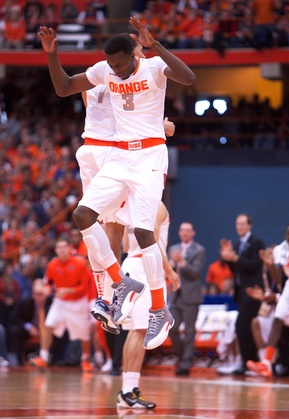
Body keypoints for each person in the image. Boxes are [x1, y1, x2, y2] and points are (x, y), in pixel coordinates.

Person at [37, 17, 196, 351]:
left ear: (134, 57)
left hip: (151, 156)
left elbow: (189, 77)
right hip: (120, 156)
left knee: (141, 232)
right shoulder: (105, 70)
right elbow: (65, 87)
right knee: (82, 216)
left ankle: (159, 310)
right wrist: (52, 54)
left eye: (121, 64)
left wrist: (156, 45)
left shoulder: (153, 67)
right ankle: (121, 284)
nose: (116, 70)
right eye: (112, 65)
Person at [118, 201, 180, 408]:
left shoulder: (131, 205)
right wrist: (170, 272)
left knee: (135, 331)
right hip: (145, 267)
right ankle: (128, 390)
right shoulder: (156, 205)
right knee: (141, 330)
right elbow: (149, 242)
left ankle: (128, 389)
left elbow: (126, 246)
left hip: (130, 264)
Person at [30, 236, 94, 372]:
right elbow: (48, 284)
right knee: (48, 325)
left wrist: (68, 290)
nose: (61, 250)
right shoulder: (51, 265)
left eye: (64, 247)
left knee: (84, 334)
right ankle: (44, 357)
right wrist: (45, 290)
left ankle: (86, 359)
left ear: (70, 248)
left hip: (78, 302)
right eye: (59, 248)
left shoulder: (81, 264)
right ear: (55, 250)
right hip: (60, 302)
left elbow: (84, 287)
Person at [246, 224, 289, 378]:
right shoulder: (280, 250)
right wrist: (270, 266)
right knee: (278, 317)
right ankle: (267, 362)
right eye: (288, 233)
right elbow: (277, 280)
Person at [220, 213, 265, 375]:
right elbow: (236, 269)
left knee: (243, 327)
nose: (239, 227)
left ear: (249, 225)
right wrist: (228, 258)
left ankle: (250, 362)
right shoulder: (239, 244)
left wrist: (236, 258)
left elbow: (255, 266)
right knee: (242, 328)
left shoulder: (256, 242)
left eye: (242, 224)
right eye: (237, 224)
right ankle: (248, 363)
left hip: (253, 292)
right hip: (241, 293)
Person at [168, 221, 206, 376]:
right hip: (175, 295)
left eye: (188, 230)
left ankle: (185, 362)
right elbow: (167, 271)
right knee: (172, 328)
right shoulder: (173, 249)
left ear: (193, 233)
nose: (184, 233)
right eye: (182, 230)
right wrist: (171, 262)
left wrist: (182, 263)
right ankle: (183, 355)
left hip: (191, 296)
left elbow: (196, 273)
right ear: (179, 232)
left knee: (189, 332)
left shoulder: (199, 250)